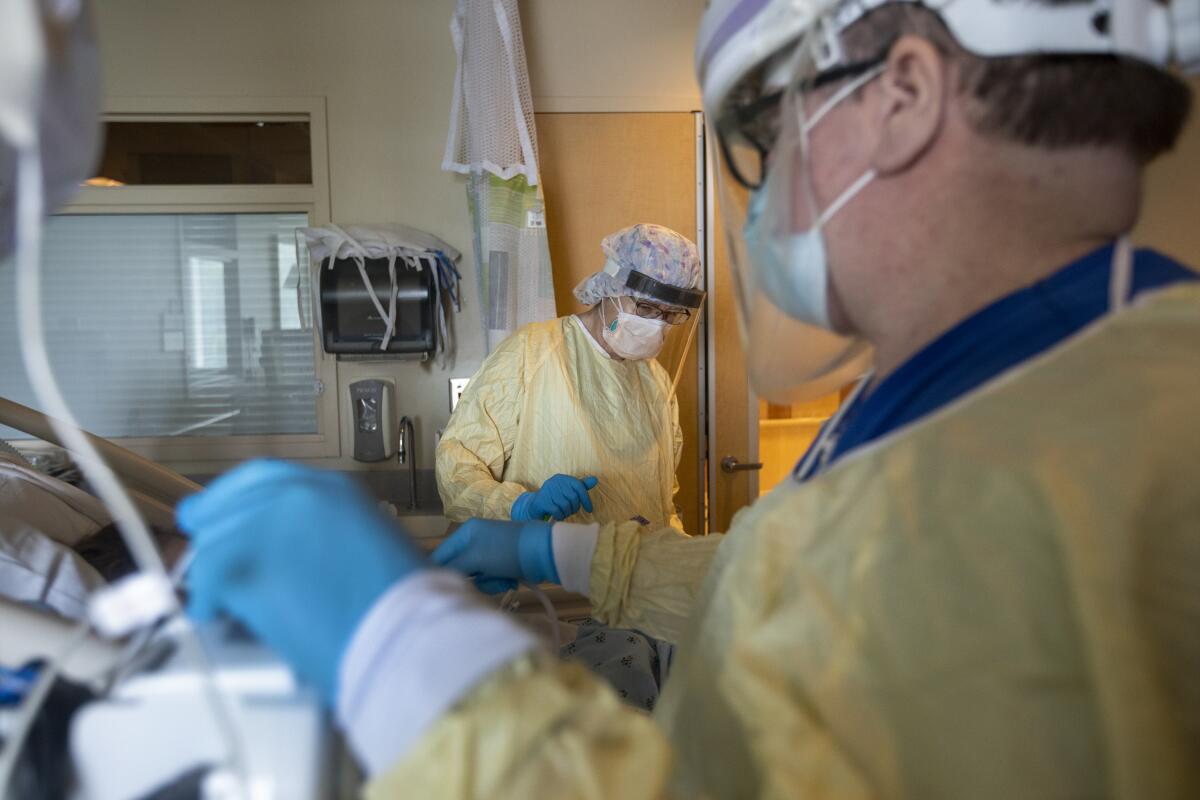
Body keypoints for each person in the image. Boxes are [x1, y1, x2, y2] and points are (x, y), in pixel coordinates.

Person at [180, 0, 1200, 796]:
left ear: (904, 95)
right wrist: (553, 546)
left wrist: (407, 662)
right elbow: (801, 584)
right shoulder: (1027, 386)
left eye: (770, 131)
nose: (771, 185)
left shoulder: (1001, 482)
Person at [436, 222, 703, 530]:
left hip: (634, 568)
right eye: (646, 307)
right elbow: (458, 465)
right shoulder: (531, 352)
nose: (658, 324)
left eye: (671, 315)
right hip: (548, 573)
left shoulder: (655, 380)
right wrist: (521, 505)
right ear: (611, 289)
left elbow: (662, 492)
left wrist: (672, 547)